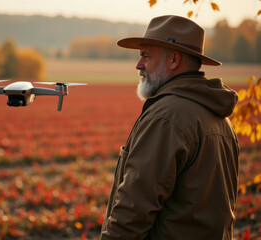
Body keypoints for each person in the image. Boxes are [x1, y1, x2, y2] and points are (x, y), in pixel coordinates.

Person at [100, 15, 239, 240]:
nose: (138, 65)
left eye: (146, 56)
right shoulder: (221, 119)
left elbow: (133, 212)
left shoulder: (166, 117)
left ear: (174, 60)